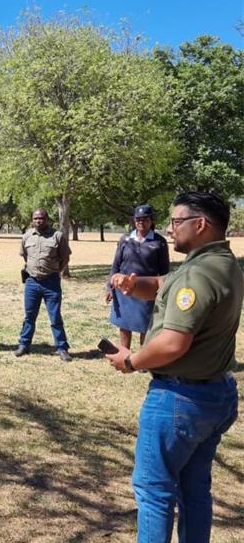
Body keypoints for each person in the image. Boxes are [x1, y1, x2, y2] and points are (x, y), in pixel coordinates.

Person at [106, 192, 241, 543]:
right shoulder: (222, 263)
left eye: (177, 221)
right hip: (215, 393)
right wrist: (135, 284)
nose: (169, 228)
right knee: (194, 489)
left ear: (201, 224)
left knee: (154, 490)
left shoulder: (198, 273)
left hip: (180, 398)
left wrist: (130, 361)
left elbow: (173, 343)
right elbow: (163, 285)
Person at [105, 203, 170, 349]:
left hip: (146, 291)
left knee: (145, 326)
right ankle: (124, 354)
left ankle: (143, 355)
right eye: (138, 219)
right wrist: (110, 287)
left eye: (145, 219)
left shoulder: (159, 242)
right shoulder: (125, 239)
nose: (141, 222)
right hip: (123, 290)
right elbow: (116, 265)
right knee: (124, 325)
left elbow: (164, 271)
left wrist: (164, 293)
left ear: (151, 221)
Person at [14, 208, 72, 361]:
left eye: (41, 218)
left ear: (47, 219)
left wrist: (56, 271)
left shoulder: (57, 236)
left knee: (55, 317)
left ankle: (62, 348)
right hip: (32, 282)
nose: (38, 221)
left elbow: (65, 258)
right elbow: (26, 257)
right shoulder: (27, 236)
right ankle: (24, 345)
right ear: (32, 220)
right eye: (35, 218)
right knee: (29, 316)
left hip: (51, 283)